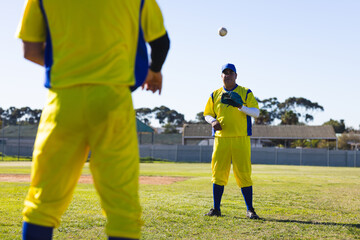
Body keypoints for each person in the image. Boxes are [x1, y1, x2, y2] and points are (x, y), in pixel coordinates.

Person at [16, 0, 170, 239]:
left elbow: (31, 50)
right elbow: (161, 41)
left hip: (63, 101)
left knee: (41, 205)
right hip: (112, 100)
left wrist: (74, 60)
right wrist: (154, 70)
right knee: (123, 210)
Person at [203, 63, 260, 219]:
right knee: (218, 173)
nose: (227, 75)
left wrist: (240, 106)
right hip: (221, 139)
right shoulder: (215, 94)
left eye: (231, 72)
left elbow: (256, 112)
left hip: (240, 138)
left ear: (236, 75)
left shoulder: (245, 92)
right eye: (225, 73)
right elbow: (207, 114)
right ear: (221, 76)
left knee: (244, 173)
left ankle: (250, 210)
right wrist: (213, 121)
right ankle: (216, 209)